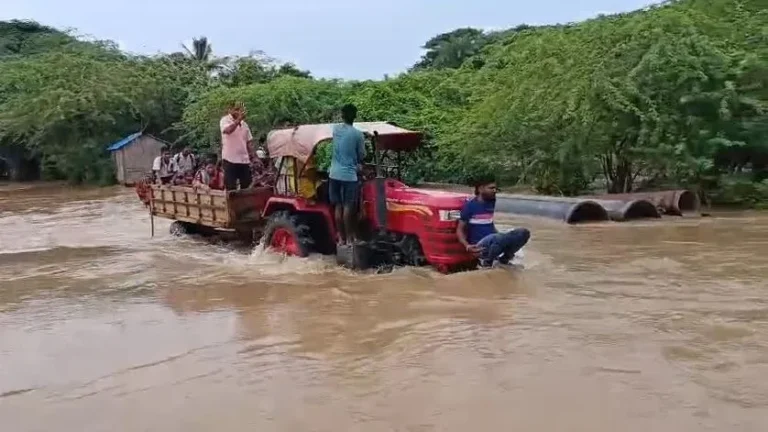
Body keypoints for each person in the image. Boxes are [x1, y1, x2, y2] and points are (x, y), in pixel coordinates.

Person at [456, 175, 531, 268]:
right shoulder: (470, 206)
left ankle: (504, 259)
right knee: (497, 238)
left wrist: (505, 237)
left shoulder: (491, 202)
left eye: (495, 188)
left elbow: (489, 223)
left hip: (494, 241)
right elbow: (460, 229)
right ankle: (486, 261)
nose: (494, 190)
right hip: (480, 245)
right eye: (491, 188)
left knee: (523, 233)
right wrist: (467, 246)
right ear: (480, 189)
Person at [329, 103, 365, 245]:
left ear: (342, 115)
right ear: (354, 116)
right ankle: (351, 238)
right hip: (349, 176)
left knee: (338, 206)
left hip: (333, 174)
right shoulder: (358, 134)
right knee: (349, 207)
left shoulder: (335, 130)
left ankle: (342, 238)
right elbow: (361, 155)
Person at [220, 102, 254, 190]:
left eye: (239, 110)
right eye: (236, 109)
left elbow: (249, 142)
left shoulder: (245, 124)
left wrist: (254, 157)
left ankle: (244, 203)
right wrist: (238, 120)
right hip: (230, 159)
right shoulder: (225, 120)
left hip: (244, 160)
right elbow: (227, 130)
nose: (239, 112)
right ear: (230, 110)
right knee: (231, 186)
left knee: (246, 186)